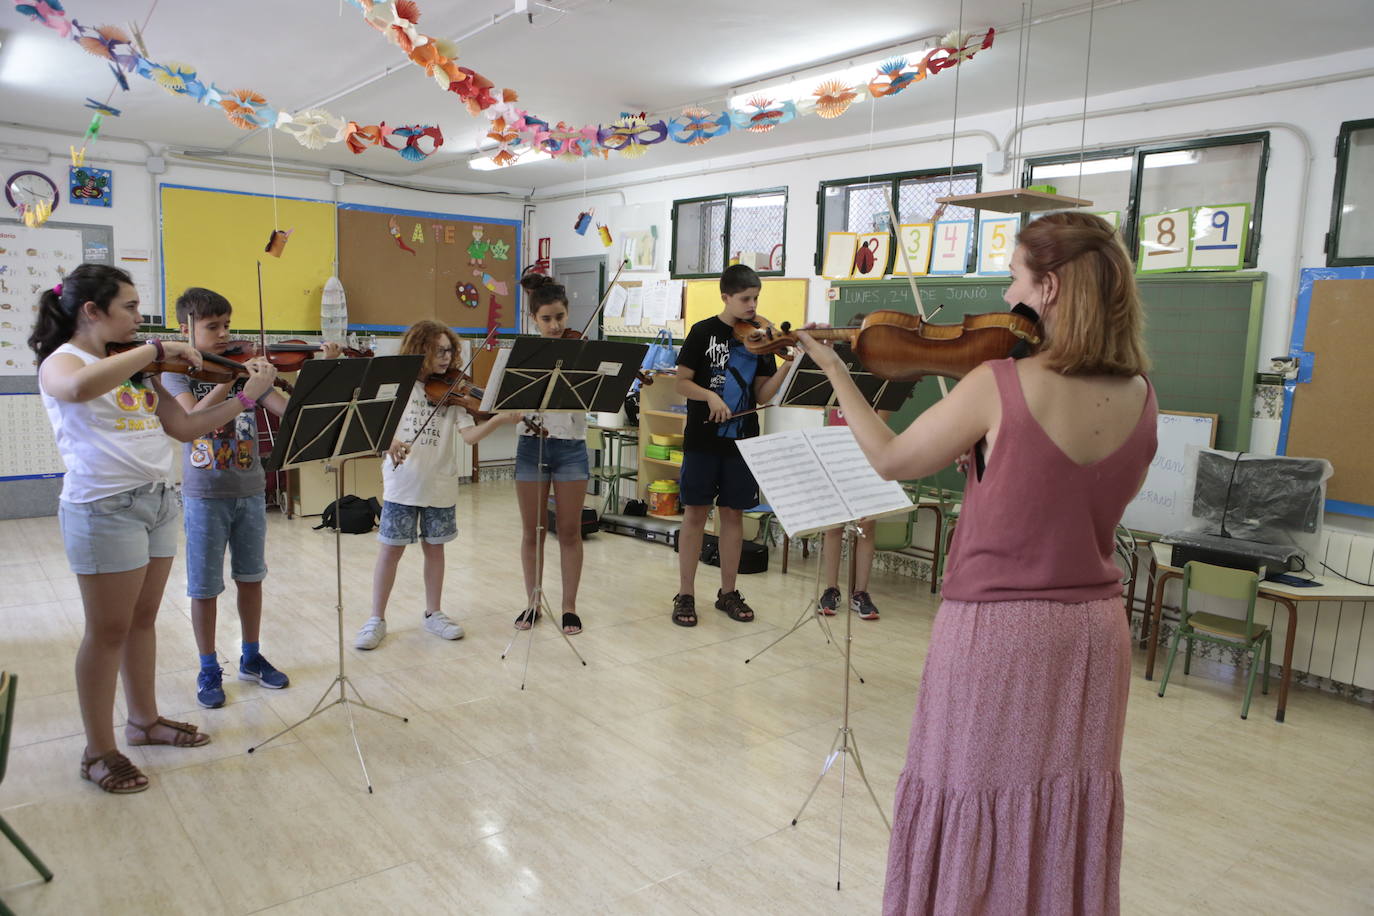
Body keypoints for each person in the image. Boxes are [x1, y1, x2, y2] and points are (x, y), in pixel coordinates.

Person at [795, 212, 1156, 915]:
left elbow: (894, 459)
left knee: (970, 791)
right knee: (1064, 803)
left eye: (1017, 276)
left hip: (1001, 633)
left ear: (1049, 286)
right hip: (1092, 635)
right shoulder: (1142, 395)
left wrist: (838, 370)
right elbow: (1065, 501)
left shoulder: (1000, 381)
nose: (1009, 292)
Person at [30, 264, 277, 794]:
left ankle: (143, 721)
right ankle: (97, 750)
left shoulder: (133, 366)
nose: (140, 319)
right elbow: (73, 390)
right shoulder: (64, 362)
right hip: (103, 508)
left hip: (159, 502)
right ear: (91, 312)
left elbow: (185, 427)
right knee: (107, 632)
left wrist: (249, 396)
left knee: (142, 621)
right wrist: (155, 351)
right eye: (131, 309)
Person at [162, 287, 341, 708]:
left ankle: (251, 654)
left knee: (251, 578)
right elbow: (190, 418)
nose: (225, 334)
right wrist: (233, 383)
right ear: (185, 328)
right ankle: (208, 666)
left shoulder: (245, 370)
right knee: (204, 586)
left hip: (249, 490)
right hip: (205, 493)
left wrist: (326, 368)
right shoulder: (175, 372)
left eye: (227, 325)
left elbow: (291, 410)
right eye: (212, 327)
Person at [355, 320, 517, 650]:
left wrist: (498, 419)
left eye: (450, 351)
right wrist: (390, 441)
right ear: (420, 351)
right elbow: (374, 426)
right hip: (402, 483)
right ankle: (376, 618)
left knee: (436, 549)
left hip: (440, 484)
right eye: (439, 351)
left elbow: (469, 436)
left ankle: (433, 613)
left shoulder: (454, 392)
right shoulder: (400, 388)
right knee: (390, 551)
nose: (447, 358)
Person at [671, 264, 784, 627]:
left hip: (742, 438)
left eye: (756, 298)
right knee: (695, 513)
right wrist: (709, 397)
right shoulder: (703, 332)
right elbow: (682, 383)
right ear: (726, 297)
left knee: (733, 514)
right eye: (745, 298)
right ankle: (685, 593)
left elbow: (762, 393)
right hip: (703, 438)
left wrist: (786, 365)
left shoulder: (761, 338)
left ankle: (728, 592)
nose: (753, 306)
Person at [509, 271, 592, 636]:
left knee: (570, 531)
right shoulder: (524, 355)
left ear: (567, 313)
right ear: (533, 320)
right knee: (533, 531)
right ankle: (532, 602)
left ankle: (569, 606)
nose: (555, 325)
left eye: (560, 317)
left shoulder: (583, 350)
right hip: (531, 445)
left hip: (571, 446)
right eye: (546, 319)